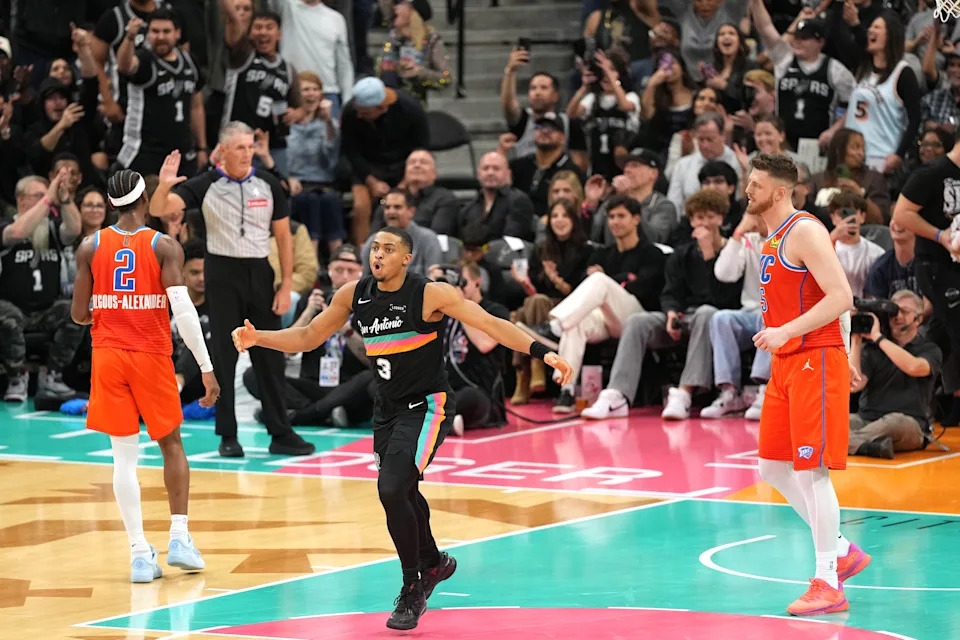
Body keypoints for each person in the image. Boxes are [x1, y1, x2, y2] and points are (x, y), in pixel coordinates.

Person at [231, 225, 573, 630]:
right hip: (386, 409)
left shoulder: (429, 294)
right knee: (403, 490)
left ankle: (413, 587)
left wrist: (544, 352)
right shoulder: (354, 295)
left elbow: (490, 324)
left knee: (392, 487)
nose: (378, 255)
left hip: (428, 406)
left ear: (407, 258)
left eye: (388, 249)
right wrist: (258, 338)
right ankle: (432, 562)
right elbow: (308, 336)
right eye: (374, 248)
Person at [69, 169, 220, 583]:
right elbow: (185, 315)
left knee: (123, 458)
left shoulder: (89, 245)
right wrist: (206, 368)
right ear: (142, 199)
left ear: (112, 202)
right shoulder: (164, 246)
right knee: (171, 444)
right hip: (150, 355)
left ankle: (139, 552)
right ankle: (179, 537)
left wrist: (112, 303)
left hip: (108, 356)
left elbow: (79, 314)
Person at [745, 152, 870, 616]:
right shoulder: (771, 238)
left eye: (755, 184)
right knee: (771, 467)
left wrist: (800, 335)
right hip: (787, 362)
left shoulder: (805, 230)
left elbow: (842, 296)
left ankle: (828, 581)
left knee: (810, 471)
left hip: (813, 358)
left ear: (780, 191)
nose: (748, 190)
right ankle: (839, 549)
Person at [149, 126, 315, 458]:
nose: (246, 153)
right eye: (238, 147)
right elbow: (158, 210)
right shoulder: (206, 183)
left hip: (260, 271)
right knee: (223, 355)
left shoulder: (268, 184)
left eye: (249, 147)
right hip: (222, 273)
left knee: (269, 356)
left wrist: (284, 286)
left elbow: (283, 237)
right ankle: (228, 435)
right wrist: (165, 184)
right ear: (222, 151)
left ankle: (280, 432)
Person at [892, 139, 960, 428]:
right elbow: (901, 214)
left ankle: (931, 403)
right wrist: (939, 236)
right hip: (935, 264)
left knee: (941, 334)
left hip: (955, 264)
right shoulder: (932, 172)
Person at [848, 290, 941, 459]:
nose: (898, 316)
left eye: (904, 312)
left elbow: (914, 367)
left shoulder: (929, 349)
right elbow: (854, 385)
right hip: (867, 420)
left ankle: (844, 443)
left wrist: (877, 337)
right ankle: (867, 446)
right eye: (894, 311)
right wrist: (856, 339)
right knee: (832, 421)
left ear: (919, 319)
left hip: (910, 424)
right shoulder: (872, 349)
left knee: (895, 421)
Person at [115, 10, 206, 176]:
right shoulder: (144, 60)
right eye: (155, 31)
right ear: (148, 33)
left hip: (182, 153)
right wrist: (129, 37)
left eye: (166, 31)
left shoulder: (190, 62)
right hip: (145, 152)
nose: (161, 37)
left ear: (177, 33)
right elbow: (124, 66)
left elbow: (196, 107)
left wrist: (201, 147)